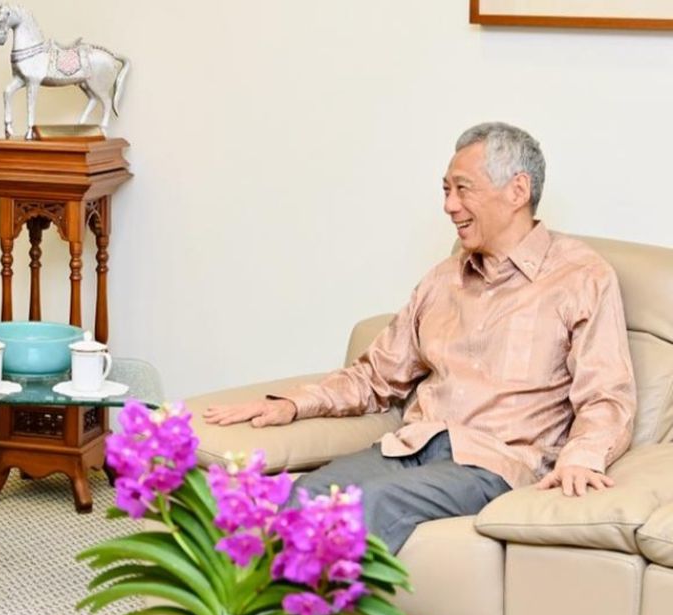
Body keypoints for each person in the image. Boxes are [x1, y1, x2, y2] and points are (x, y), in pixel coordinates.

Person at [203, 122, 636, 553]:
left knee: (368, 506)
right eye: (445, 190)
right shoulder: (443, 280)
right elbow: (376, 375)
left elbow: (607, 396)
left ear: (517, 191)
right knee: (312, 492)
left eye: (463, 189)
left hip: (496, 463)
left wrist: (583, 455)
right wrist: (293, 403)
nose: (450, 206)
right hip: (413, 445)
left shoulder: (580, 277)